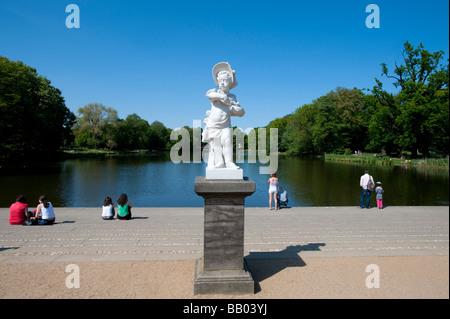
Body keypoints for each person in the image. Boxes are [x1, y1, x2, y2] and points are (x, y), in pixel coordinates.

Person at [202, 62, 245, 169]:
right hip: (214, 125)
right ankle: (220, 162)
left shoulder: (232, 97)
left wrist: (238, 111)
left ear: (230, 83)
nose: (222, 83)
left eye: (225, 81)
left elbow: (234, 112)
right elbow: (209, 95)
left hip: (226, 124)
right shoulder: (214, 92)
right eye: (220, 81)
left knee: (227, 141)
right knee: (216, 144)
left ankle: (229, 162)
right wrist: (222, 97)